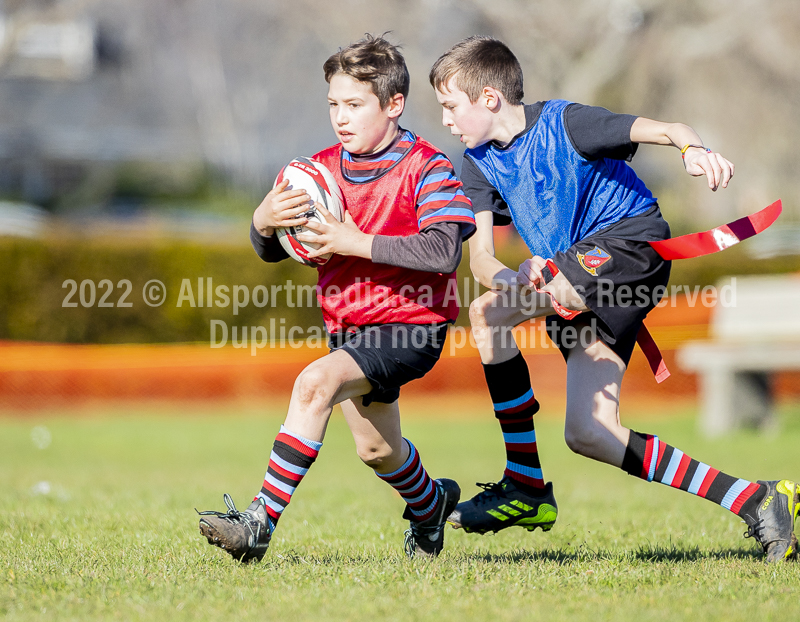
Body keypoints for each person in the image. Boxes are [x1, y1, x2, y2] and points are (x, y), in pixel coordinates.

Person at [428, 35, 799, 562]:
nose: (444, 119)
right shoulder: (477, 163)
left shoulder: (566, 123)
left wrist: (695, 151)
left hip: (630, 245)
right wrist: (517, 276)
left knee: (513, 303)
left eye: (449, 106)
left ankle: (523, 482)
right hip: (577, 278)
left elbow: (667, 129)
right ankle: (757, 501)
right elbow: (483, 259)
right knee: (590, 431)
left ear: (488, 97)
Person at [198, 34, 475, 561]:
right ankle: (432, 505)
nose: (340, 118)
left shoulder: (427, 166)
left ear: (394, 106)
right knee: (377, 450)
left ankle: (258, 522)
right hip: (350, 327)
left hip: (414, 323)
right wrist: (262, 220)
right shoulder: (317, 170)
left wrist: (355, 241)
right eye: (333, 105)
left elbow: (444, 250)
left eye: (354, 105)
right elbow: (272, 249)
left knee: (313, 384)